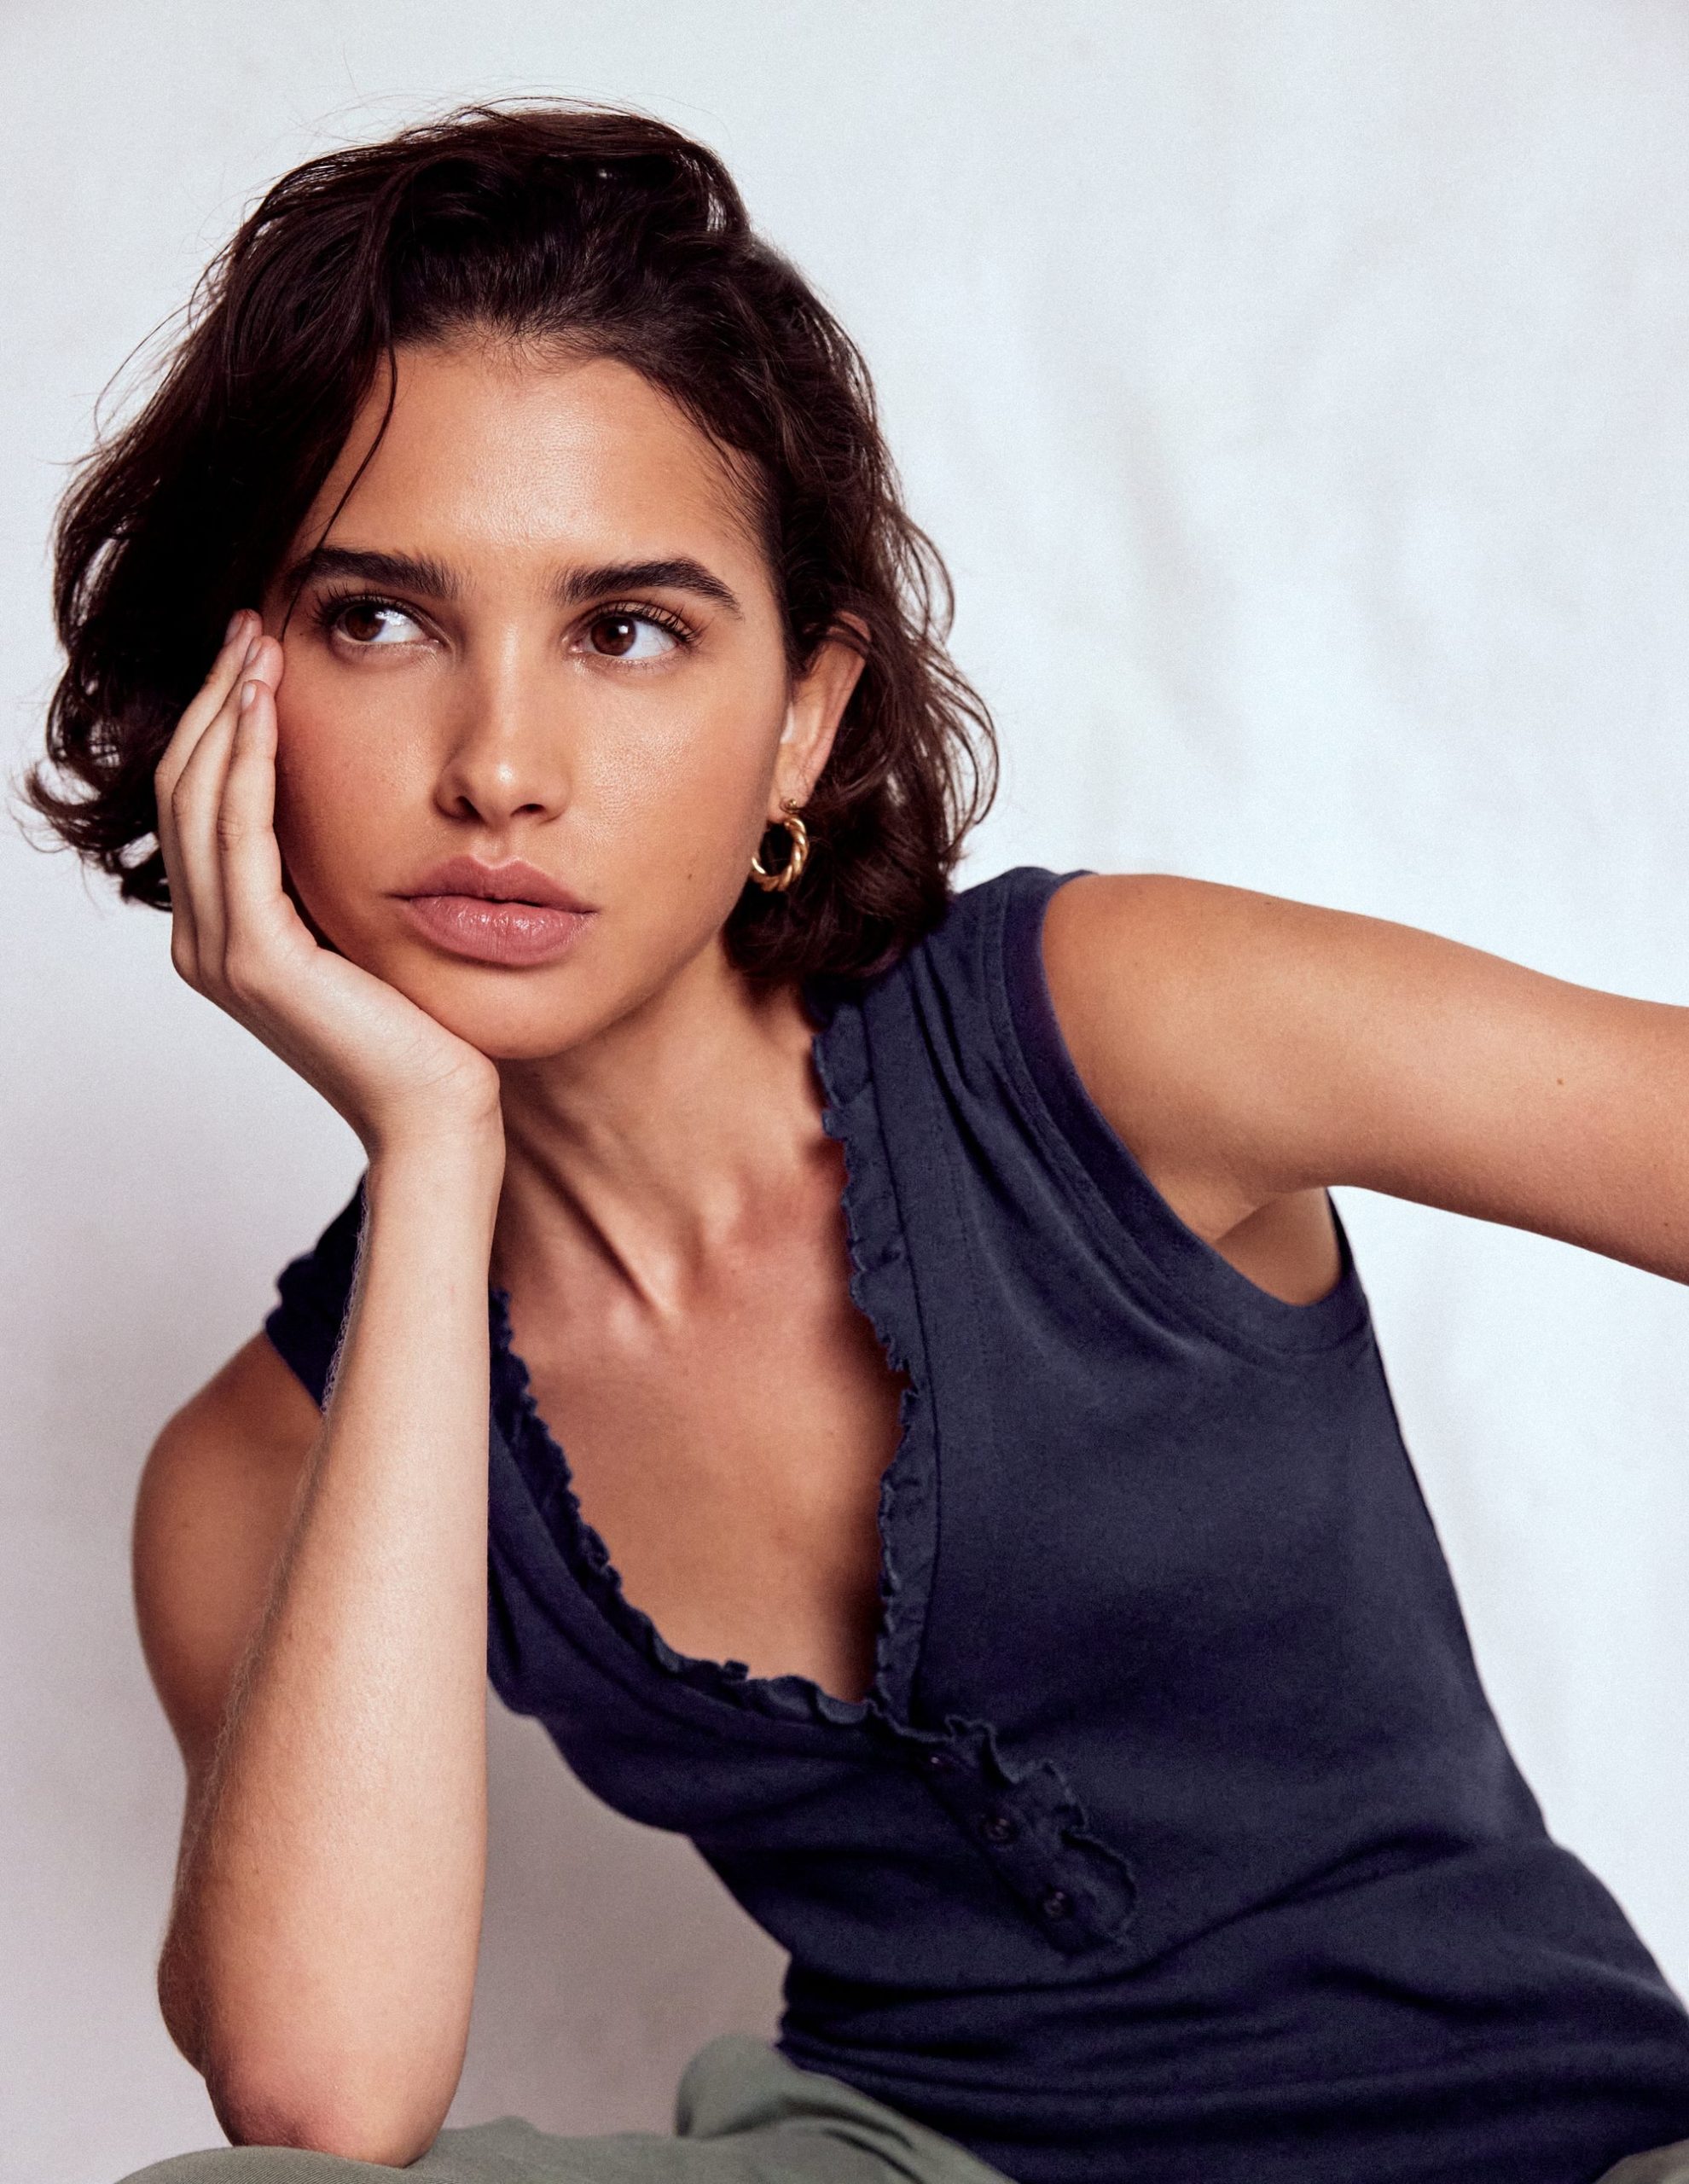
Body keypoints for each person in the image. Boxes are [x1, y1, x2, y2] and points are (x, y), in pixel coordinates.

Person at [27, 98, 1689, 2184]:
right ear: (233, 687)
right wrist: (438, 1151)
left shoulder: (1105, 1032)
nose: (502, 765)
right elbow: (321, 2103)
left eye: (626, 629)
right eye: (381, 618)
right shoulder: (250, 1470)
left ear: (802, 720)